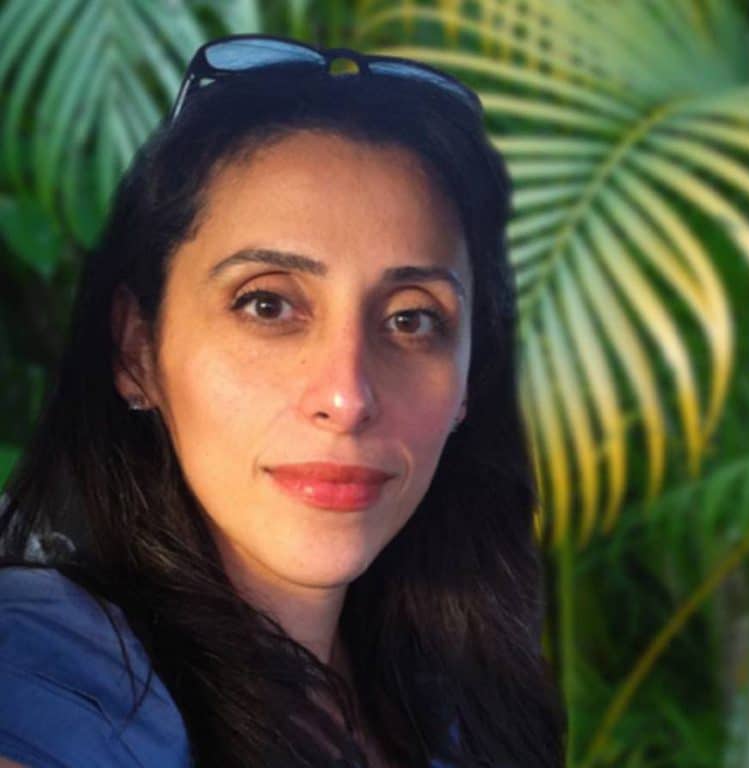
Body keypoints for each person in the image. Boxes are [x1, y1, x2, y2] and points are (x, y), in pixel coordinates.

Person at [0, 34, 566, 768]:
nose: (347, 395)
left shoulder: (455, 700)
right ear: (137, 351)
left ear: (468, 380)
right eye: (267, 305)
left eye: (413, 318)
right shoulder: (46, 670)